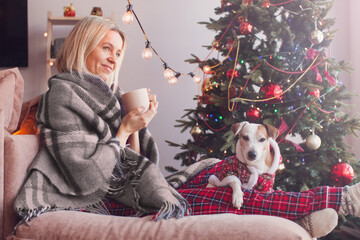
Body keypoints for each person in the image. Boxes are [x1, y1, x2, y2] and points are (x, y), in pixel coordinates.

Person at [13, 15, 360, 238]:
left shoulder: (110, 97)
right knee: (224, 193)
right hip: (95, 198)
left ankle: (296, 218)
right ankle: (339, 199)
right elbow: (88, 176)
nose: (113, 58)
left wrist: (137, 127)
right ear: (82, 46)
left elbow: (137, 163)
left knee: (215, 169)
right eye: (106, 48)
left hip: (123, 190)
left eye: (118, 53)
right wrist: (123, 130)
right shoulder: (62, 95)